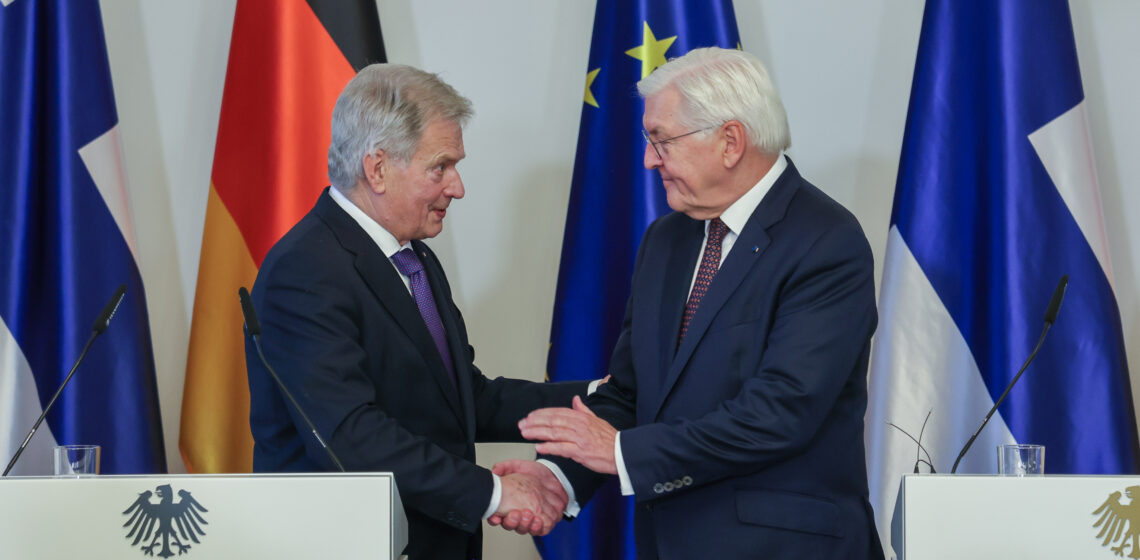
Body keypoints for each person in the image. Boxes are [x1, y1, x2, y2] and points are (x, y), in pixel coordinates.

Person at [495, 47, 885, 559]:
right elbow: (632, 391)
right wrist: (559, 479)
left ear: (729, 141)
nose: (648, 159)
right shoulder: (667, 239)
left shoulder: (825, 241)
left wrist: (618, 452)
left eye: (661, 140)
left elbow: (780, 412)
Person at [246, 63, 589, 560]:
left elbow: (463, 400)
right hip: (346, 543)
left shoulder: (412, 257)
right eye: (441, 166)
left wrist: (595, 396)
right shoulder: (305, 270)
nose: (458, 187)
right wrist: (493, 493)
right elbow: (350, 436)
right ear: (377, 167)